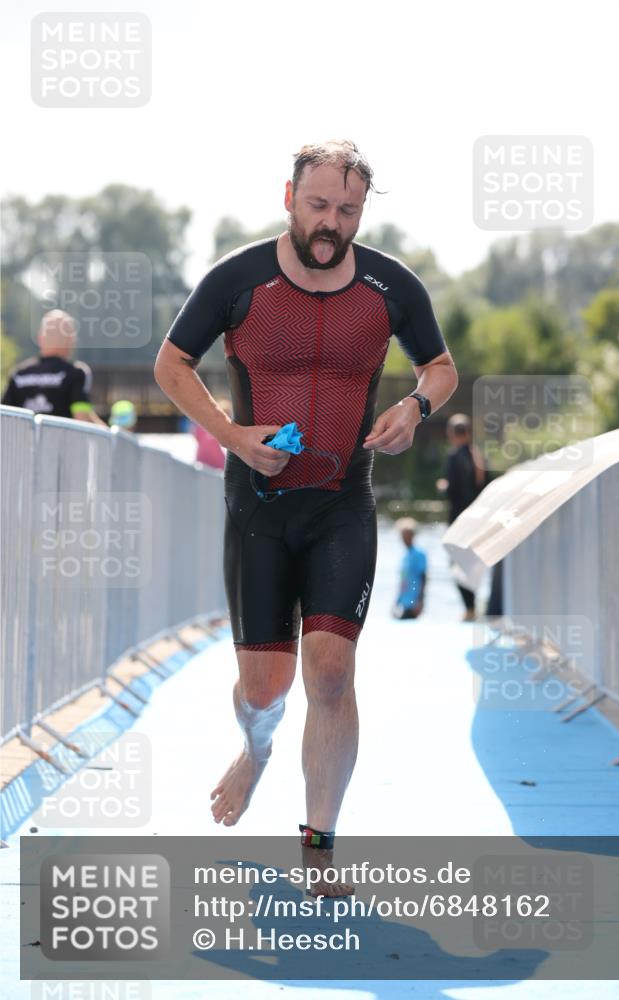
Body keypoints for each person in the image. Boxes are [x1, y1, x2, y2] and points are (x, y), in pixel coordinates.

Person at [154, 140, 459, 895]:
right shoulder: (238, 279)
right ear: (287, 195)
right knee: (264, 690)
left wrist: (415, 407)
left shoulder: (392, 286)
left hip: (342, 505)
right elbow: (171, 364)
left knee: (330, 673)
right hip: (256, 510)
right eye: (318, 206)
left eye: (347, 211)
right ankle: (254, 752)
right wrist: (230, 435)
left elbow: (440, 367)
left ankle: (319, 850)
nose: (331, 223)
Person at [1, 310, 106, 426]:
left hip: (23, 443)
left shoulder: (19, 374)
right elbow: (82, 417)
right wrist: (111, 435)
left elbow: (5, 418)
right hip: (63, 444)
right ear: (70, 339)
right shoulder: (76, 373)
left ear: (40, 338)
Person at [437, 414, 487, 620]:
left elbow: (453, 490)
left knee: (457, 563)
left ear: (452, 434)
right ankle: (473, 606)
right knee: (471, 563)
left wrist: (443, 486)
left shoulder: (454, 456)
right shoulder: (479, 457)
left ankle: (469, 609)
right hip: (478, 520)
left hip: (459, 520)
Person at [392, 517, 427, 620]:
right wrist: (397, 601)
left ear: (412, 535)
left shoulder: (419, 554)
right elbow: (403, 580)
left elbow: (423, 578)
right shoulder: (405, 556)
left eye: (406, 535)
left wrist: (420, 601)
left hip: (414, 601)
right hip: (404, 601)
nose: (403, 539)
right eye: (402, 535)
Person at [192, 398, 229, 470]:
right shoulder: (218, 430)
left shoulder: (203, 425)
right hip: (212, 465)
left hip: (201, 462)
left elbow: (196, 435)